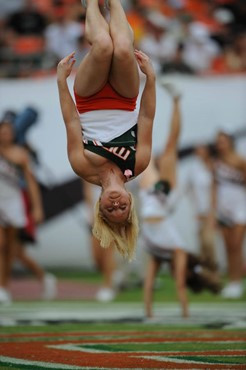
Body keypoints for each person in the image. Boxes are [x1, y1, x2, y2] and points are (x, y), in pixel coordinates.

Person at [57, 0, 156, 261]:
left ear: (99, 207)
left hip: (89, 99)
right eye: (122, 207)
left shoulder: (83, 167)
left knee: (103, 47)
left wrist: (61, 82)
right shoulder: (139, 163)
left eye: (110, 209)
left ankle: (90, 3)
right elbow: (146, 117)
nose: (116, 203)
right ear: (130, 202)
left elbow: (71, 122)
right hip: (125, 99)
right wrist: (151, 79)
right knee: (122, 49)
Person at [139, 85, 189, 319]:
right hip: (150, 227)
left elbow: (173, 140)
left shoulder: (167, 174)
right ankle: (148, 314)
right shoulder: (147, 173)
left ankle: (177, 100)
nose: (158, 156)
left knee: (171, 142)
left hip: (164, 226)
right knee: (150, 276)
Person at [0, 120, 43, 304]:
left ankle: (5, 285)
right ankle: (2, 287)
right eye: (2, 132)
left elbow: (31, 183)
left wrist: (36, 207)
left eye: (8, 132)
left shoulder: (20, 154)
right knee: (0, 244)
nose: (5, 135)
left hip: (13, 203)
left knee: (10, 248)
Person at [213, 131, 246, 298]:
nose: (220, 145)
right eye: (218, 142)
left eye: (223, 141)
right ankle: (232, 282)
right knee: (227, 247)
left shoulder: (240, 161)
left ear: (230, 142)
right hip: (223, 209)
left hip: (240, 207)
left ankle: (238, 282)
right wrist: (214, 210)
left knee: (236, 245)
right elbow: (214, 187)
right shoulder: (216, 163)